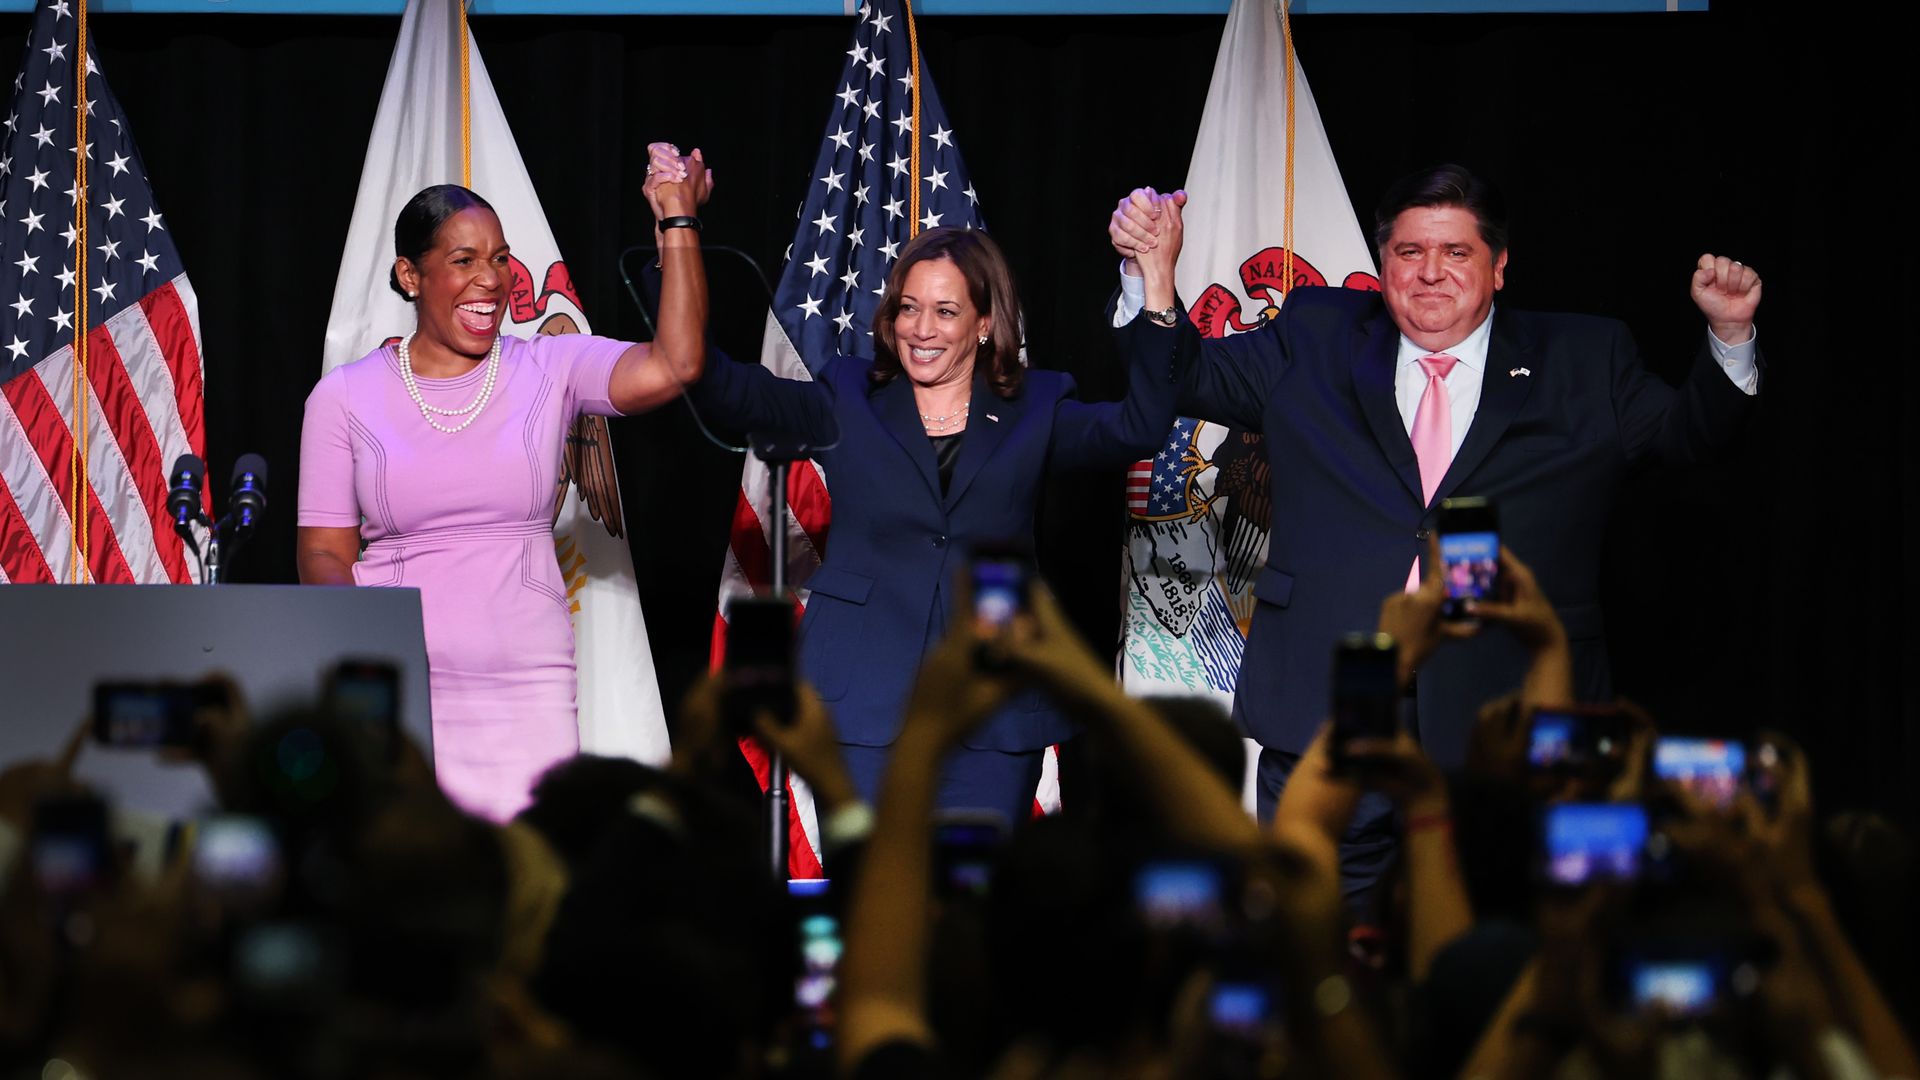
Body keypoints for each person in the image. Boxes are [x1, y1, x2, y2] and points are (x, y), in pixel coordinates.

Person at [1106, 163, 1762, 880]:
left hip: (1507, 720)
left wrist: (1729, 336)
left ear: (1499, 267)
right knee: (1320, 939)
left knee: (1493, 954)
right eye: (1410, 253)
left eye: (1456, 253)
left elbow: (1685, 437)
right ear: (1383, 262)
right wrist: (1154, 278)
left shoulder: (1585, 358)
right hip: (1331, 707)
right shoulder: (1316, 334)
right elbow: (1182, 380)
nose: (1430, 274)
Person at [685, 226, 1186, 826]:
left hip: (993, 709)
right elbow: (720, 387)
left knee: (972, 909)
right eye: (908, 307)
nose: (920, 329)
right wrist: (678, 235)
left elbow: (1142, 426)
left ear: (982, 323)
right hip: (861, 702)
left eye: (945, 311)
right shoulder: (847, 396)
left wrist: (1152, 280)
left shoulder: (1037, 406)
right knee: (869, 901)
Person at [296, 143, 711, 821]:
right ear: (409, 274)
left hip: (529, 689)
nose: (491, 279)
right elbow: (322, 554)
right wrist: (370, 657)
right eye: (463, 261)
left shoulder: (548, 366)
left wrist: (677, 221)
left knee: (532, 889)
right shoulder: (342, 398)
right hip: (398, 690)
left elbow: (677, 365)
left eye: (498, 259)